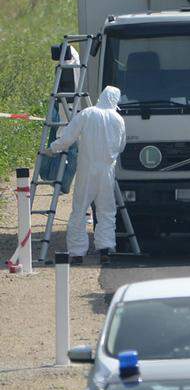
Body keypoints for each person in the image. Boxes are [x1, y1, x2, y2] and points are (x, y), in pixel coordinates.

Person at [49, 86, 126, 263]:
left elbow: (68, 137)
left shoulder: (87, 113)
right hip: (107, 171)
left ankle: (77, 252)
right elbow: (121, 146)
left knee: (80, 210)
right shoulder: (118, 119)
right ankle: (105, 249)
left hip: (87, 169)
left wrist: (53, 148)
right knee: (106, 211)